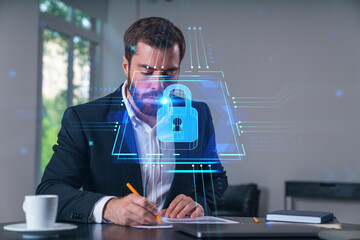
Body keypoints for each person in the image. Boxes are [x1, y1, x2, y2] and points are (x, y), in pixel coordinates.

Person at [36, 17, 228, 226]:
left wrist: (198, 204)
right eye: (146, 72)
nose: (158, 85)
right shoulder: (85, 119)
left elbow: (215, 180)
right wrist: (109, 207)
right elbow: (51, 189)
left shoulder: (197, 115)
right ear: (126, 66)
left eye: (169, 73)